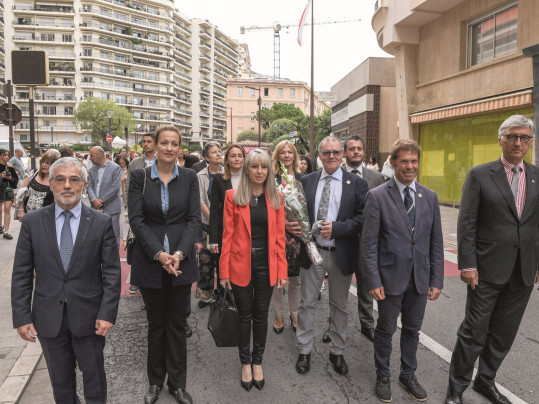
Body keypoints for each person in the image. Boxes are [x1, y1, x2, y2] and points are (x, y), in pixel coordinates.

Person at [445, 115, 539, 404]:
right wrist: (468, 264)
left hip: (522, 271)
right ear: (500, 139)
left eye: (524, 137)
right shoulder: (480, 174)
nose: (518, 142)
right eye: (512, 136)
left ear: (530, 142)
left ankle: (485, 381)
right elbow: (467, 222)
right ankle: (456, 388)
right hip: (485, 270)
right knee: (474, 331)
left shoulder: (536, 176)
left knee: (503, 333)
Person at [11, 157, 121, 403]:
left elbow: (112, 273)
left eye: (74, 180)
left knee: (94, 381)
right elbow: (21, 272)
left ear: (83, 184)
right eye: (60, 179)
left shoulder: (101, 222)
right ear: (51, 185)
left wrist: (107, 313)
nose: (67, 185)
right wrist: (22, 316)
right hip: (48, 318)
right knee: (61, 385)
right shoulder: (32, 221)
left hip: (91, 318)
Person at [362, 139, 444, 402]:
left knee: (413, 330)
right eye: (404, 161)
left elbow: (436, 242)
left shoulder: (429, 197)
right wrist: (373, 279)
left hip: (419, 279)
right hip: (389, 279)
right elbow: (369, 244)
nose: (410, 167)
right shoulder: (377, 196)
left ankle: (407, 375)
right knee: (385, 329)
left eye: (414, 161)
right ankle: (383, 374)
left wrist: (437, 279)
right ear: (393, 163)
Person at [128, 126, 200, 404]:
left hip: (181, 262)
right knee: (156, 324)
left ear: (179, 147)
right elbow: (136, 219)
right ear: (155, 146)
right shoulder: (139, 177)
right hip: (150, 261)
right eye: (164, 143)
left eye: (174, 144)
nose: (169, 148)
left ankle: (178, 385)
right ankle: (155, 382)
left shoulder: (190, 177)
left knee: (177, 324)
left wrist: (179, 253)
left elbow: (194, 218)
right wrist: (159, 254)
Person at [291, 136, 368, 376]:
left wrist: (338, 228)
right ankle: (304, 350)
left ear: (343, 154)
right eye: (326, 153)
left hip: (341, 253)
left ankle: (337, 351)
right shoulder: (306, 181)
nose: (331, 156)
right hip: (312, 252)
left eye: (336, 152)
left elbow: (362, 219)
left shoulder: (356, 184)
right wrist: (291, 226)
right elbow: (297, 213)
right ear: (319, 155)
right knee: (307, 303)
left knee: (339, 305)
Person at [219, 149, 287, 391]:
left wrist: (282, 271)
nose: (260, 171)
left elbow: (280, 238)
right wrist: (223, 271)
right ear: (246, 169)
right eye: (255, 167)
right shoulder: (232, 196)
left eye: (264, 167)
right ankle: (245, 362)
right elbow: (227, 236)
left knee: (261, 316)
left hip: (267, 266)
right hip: (240, 265)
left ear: (269, 170)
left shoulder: (276, 197)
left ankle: (258, 361)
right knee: (244, 316)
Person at [321, 135, 385, 344]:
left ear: (364, 152)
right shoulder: (334, 175)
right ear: (343, 153)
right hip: (341, 241)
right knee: (337, 292)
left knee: (367, 285)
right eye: (351, 149)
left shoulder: (376, 178)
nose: (355, 152)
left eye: (359, 149)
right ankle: (333, 327)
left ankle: (367, 324)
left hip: (368, 243)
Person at [271, 140, 303, 333]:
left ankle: (294, 314)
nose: (286, 155)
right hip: (277, 232)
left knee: (296, 279)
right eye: (282, 152)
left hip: (298, 233)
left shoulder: (302, 178)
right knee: (277, 277)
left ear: (294, 155)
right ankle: (278, 315)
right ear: (277, 156)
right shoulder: (271, 179)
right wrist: (282, 222)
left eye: (289, 152)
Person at [208, 144, 245, 294]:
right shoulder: (218, 179)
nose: (236, 159)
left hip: (246, 232)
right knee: (225, 271)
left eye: (240, 155)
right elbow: (215, 210)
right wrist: (213, 240)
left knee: (243, 271)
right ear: (227, 160)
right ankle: (226, 307)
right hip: (226, 232)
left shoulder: (251, 177)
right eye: (233, 156)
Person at [126, 132, 157, 293]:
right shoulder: (135, 163)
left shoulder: (163, 161)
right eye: (144, 141)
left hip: (157, 210)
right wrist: (129, 209)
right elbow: (129, 187)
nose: (145, 144)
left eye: (149, 141)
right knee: (138, 245)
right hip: (139, 210)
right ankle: (136, 279)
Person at [196, 141, 223, 308]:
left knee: (223, 260)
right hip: (207, 224)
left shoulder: (227, 173)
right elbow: (199, 201)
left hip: (225, 225)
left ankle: (221, 294)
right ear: (206, 157)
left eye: (219, 151)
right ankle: (205, 295)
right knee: (205, 262)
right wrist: (213, 219)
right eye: (214, 152)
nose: (219, 154)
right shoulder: (200, 176)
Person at [88, 146, 122, 246]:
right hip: (95, 208)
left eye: (92, 156)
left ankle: (113, 260)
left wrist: (101, 201)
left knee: (113, 236)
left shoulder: (115, 168)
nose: (90, 158)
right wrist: (94, 200)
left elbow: (115, 188)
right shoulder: (92, 169)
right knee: (96, 236)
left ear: (99, 155)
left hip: (111, 208)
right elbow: (89, 186)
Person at [16, 154, 57, 220]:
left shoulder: (56, 179)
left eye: (48, 163)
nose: (44, 165)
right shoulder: (33, 173)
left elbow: (56, 201)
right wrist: (20, 209)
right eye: (42, 162)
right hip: (28, 215)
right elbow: (21, 191)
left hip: (46, 217)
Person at [0, 149, 18, 240]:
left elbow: (15, 183)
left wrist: (10, 177)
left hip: (8, 189)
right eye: (5, 155)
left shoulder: (10, 167)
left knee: (7, 209)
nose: (7, 157)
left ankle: (6, 232)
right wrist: (1, 176)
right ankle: (0, 226)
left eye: (8, 155)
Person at [114, 154, 130, 249]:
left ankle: (125, 239)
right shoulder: (116, 170)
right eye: (119, 163)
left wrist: (127, 180)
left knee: (126, 217)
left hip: (127, 195)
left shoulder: (130, 169)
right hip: (119, 195)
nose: (121, 165)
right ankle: (123, 238)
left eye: (123, 163)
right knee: (120, 217)